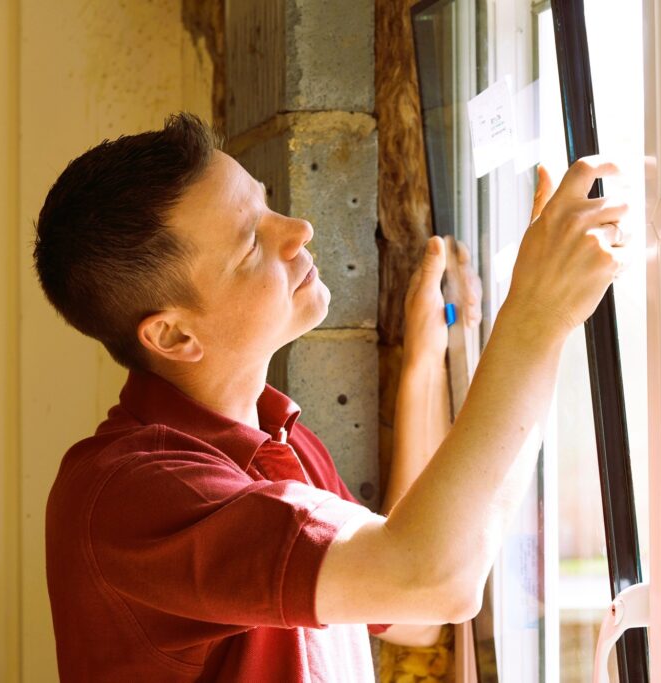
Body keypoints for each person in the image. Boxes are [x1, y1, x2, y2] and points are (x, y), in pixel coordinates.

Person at [34, 113, 628, 681]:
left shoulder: (281, 440)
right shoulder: (130, 496)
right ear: (173, 334)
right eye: (250, 243)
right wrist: (537, 315)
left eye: (266, 203)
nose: (297, 231)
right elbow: (432, 579)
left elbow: (409, 611)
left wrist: (425, 366)